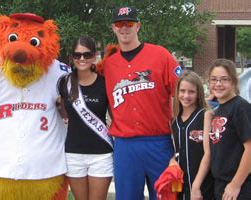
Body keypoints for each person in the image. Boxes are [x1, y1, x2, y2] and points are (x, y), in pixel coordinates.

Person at [102, 6, 182, 200]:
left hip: (159, 142)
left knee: (166, 195)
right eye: (119, 24)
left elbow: (183, 91)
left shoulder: (161, 55)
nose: (124, 28)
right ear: (113, 28)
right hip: (125, 145)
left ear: (138, 26)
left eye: (129, 23)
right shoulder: (108, 65)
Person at [58, 36, 113, 200]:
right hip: (73, 154)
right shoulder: (64, 83)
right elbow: (63, 111)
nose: (82, 59)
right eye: (77, 55)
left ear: (95, 56)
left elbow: (115, 116)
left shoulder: (105, 83)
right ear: (72, 57)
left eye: (87, 54)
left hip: (101, 154)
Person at [207, 58, 251, 200]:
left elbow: (250, 149)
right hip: (221, 185)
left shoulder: (240, 107)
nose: (218, 84)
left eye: (224, 79)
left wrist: (236, 184)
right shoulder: (219, 110)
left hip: (239, 187)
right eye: (214, 79)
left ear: (233, 81)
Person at [169, 70, 214, 200]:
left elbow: (208, 153)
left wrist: (196, 186)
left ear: (198, 93)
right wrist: (172, 161)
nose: (186, 96)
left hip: (202, 186)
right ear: (177, 93)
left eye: (191, 92)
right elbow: (176, 151)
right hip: (179, 186)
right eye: (182, 91)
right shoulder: (174, 121)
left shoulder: (206, 115)